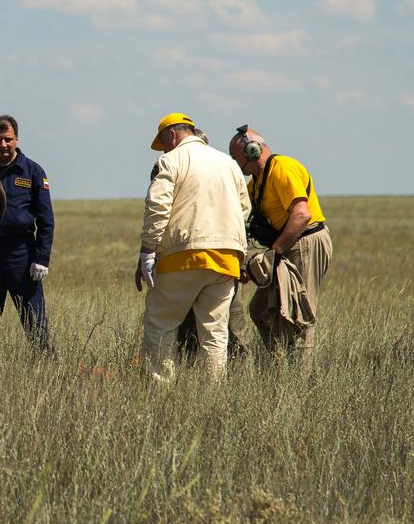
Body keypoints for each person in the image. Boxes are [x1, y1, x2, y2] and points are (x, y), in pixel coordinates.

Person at [136, 113, 250, 382]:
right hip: (227, 258)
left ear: (172, 135)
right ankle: (212, 395)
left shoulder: (170, 160)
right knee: (215, 332)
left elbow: (157, 208)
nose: (164, 149)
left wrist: (147, 250)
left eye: (163, 142)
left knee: (161, 324)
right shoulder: (228, 163)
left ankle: (160, 390)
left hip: (182, 257)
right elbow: (244, 208)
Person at [229, 125, 332, 366]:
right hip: (286, 246)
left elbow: (301, 214)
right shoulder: (255, 184)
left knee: (298, 314)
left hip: (305, 241)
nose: (236, 164)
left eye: (236, 157)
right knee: (260, 308)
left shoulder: (282, 168)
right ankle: (280, 364)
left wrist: (273, 254)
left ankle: (298, 380)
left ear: (252, 150)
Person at [172, 129, 250, 363]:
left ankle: (232, 368)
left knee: (227, 324)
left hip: (187, 260)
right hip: (224, 259)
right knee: (219, 325)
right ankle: (218, 375)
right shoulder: (227, 168)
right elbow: (244, 211)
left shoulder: (175, 165)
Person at [0, 115, 54, 350]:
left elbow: (46, 219)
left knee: (34, 319)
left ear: (17, 140)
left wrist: (41, 259)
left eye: (8, 139)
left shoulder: (32, 172)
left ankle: (44, 363)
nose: (3, 145)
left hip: (22, 254)